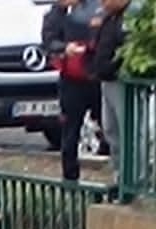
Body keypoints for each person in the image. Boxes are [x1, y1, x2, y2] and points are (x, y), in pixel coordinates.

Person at [41, 0, 104, 183]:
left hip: (97, 78)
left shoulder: (98, 7)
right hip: (71, 80)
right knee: (70, 130)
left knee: (108, 125)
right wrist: (64, 48)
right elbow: (48, 40)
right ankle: (70, 176)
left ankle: (116, 173)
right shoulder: (56, 14)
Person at [91, 0, 131, 179]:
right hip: (105, 81)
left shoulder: (129, 17)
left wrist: (113, 66)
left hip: (120, 81)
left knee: (127, 130)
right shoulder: (109, 17)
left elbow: (128, 49)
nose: (102, 3)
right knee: (110, 129)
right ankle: (119, 173)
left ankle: (133, 177)